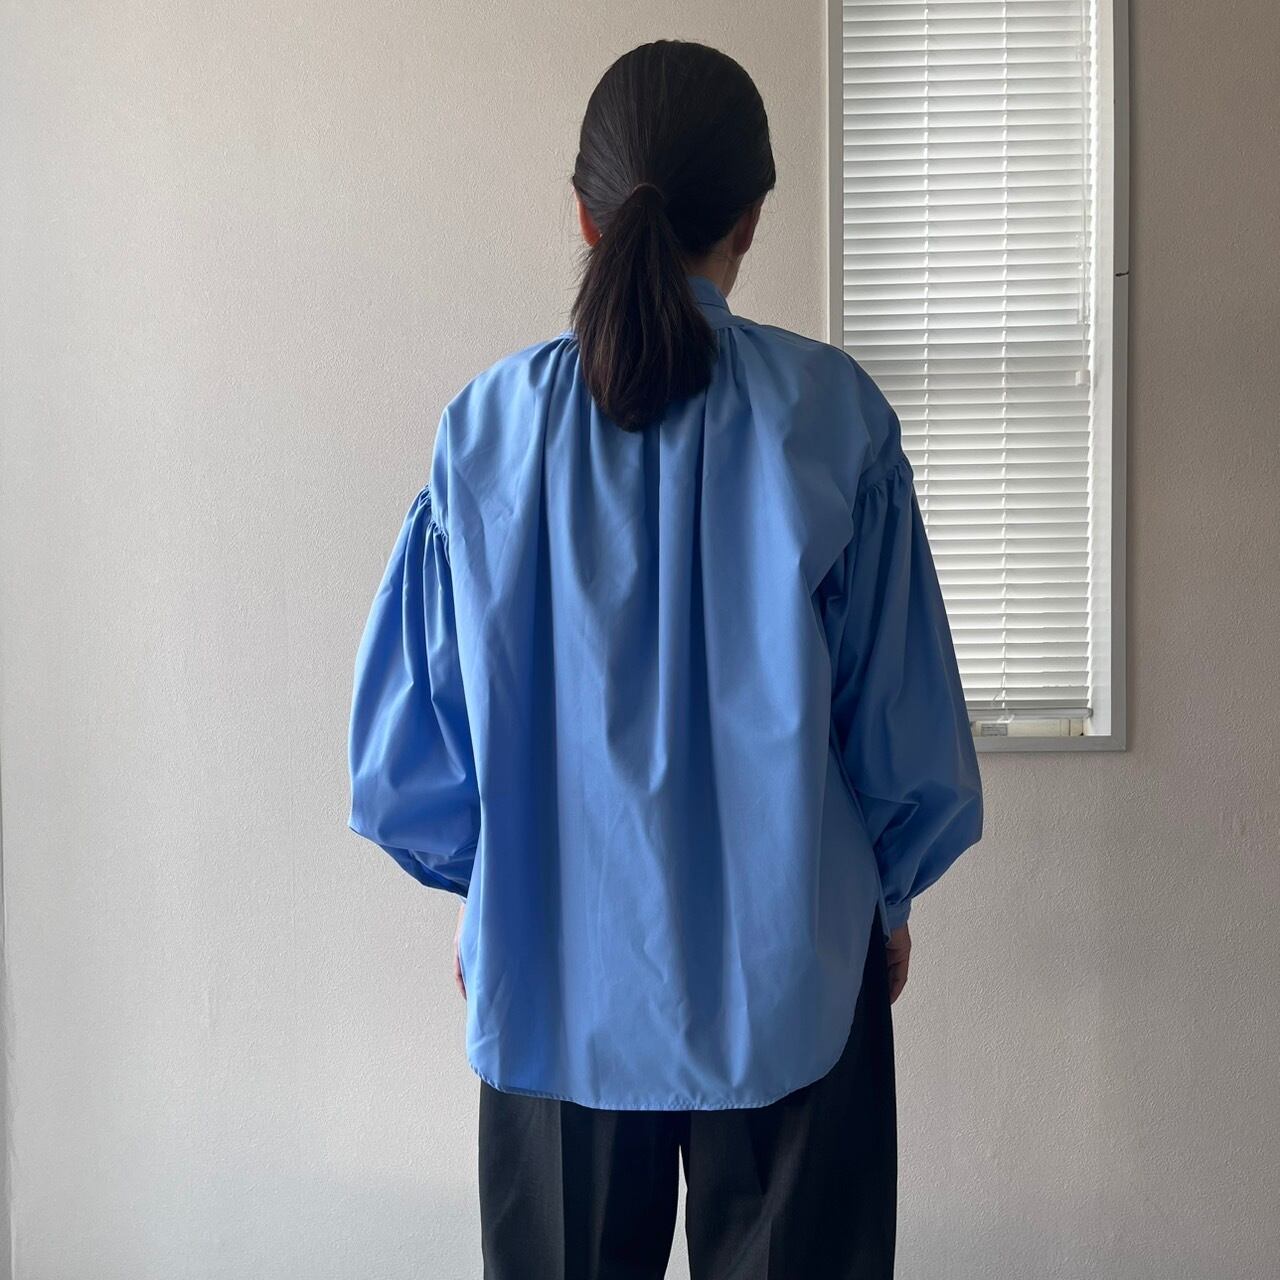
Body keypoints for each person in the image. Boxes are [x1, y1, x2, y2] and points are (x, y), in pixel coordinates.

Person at [347, 38, 983, 1280]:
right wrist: (888, 901)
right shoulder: (833, 420)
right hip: (795, 987)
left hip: (554, 994)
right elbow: (900, 734)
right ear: (749, 219)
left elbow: (405, 764)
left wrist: (496, 889)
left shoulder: (482, 435)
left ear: (583, 214)